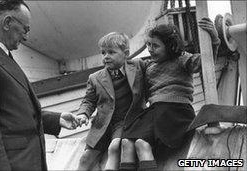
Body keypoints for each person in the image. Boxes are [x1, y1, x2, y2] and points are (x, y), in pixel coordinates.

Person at [0, 0, 78, 170]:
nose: (26, 36)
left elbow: (14, 114)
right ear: (7, 23)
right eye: (25, 29)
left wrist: (56, 120)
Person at [119, 17, 221, 171]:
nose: (150, 49)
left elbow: (205, 62)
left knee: (141, 143)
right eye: (148, 44)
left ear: (170, 46)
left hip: (175, 112)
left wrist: (214, 40)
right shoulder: (149, 66)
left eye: (155, 46)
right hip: (155, 111)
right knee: (129, 143)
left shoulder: (182, 59)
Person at [76, 32, 147, 170]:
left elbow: (157, 71)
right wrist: (83, 114)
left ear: (126, 53)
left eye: (111, 52)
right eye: (103, 53)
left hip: (125, 122)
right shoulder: (95, 78)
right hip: (102, 125)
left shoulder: (138, 66)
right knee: (85, 158)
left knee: (114, 148)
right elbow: (89, 101)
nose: (106, 56)